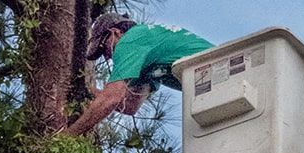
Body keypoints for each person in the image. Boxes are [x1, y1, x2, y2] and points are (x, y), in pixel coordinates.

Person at [67, 12, 214, 137]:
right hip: (216, 78)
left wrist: (67, 136)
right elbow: (131, 106)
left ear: (115, 32)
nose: (107, 56)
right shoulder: (147, 52)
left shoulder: (130, 40)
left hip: (219, 67)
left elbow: (111, 99)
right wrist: (91, 91)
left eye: (103, 47)